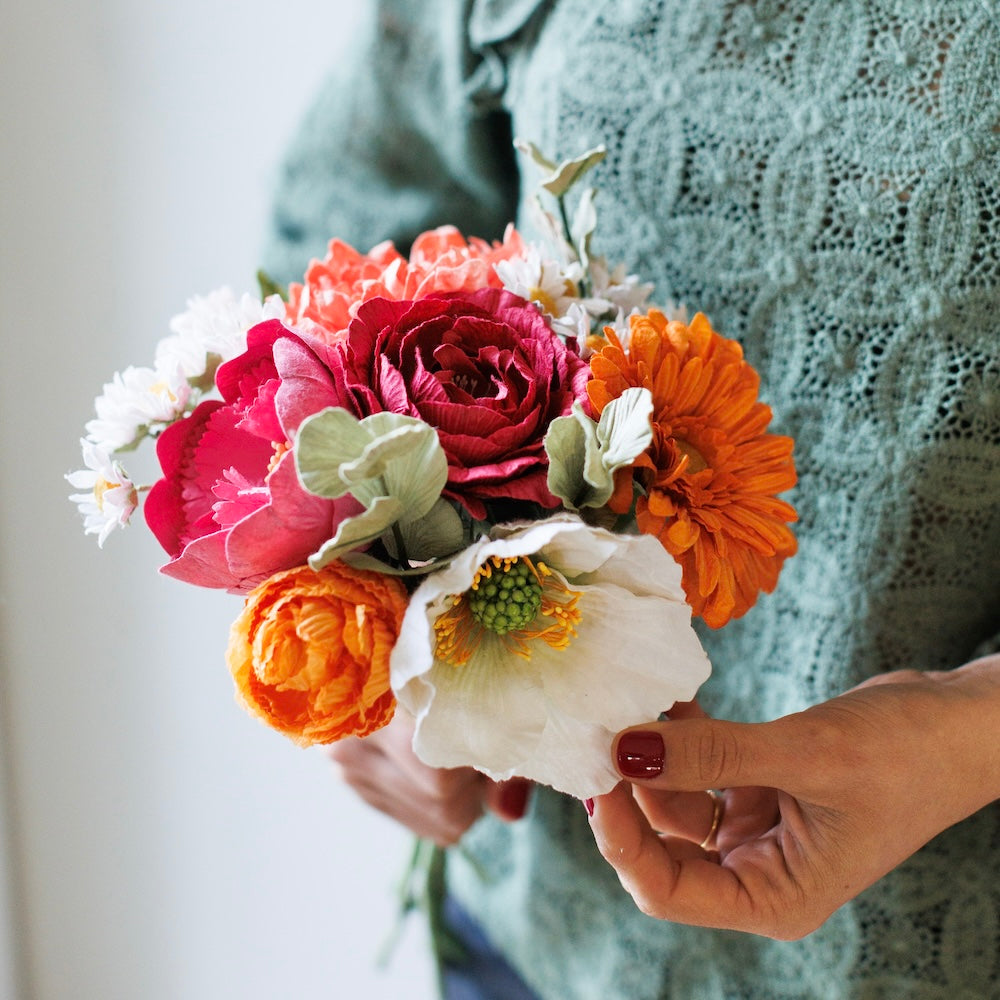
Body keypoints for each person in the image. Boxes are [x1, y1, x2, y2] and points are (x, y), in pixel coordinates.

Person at [262, 2, 1000, 997]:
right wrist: (379, 627)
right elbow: (343, 240)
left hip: (919, 951)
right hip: (538, 933)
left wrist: (969, 733)